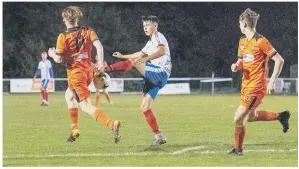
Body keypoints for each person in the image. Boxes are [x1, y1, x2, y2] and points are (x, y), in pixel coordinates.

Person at [47, 6, 120, 143]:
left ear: (64, 19)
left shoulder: (63, 37)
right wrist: (100, 65)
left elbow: (59, 59)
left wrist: (52, 54)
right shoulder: (88, 31)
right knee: (69, 95)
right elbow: (99, 47)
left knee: (85, 105)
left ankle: (112, 124)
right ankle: (74, 130)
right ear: (77, 18)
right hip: (88, 72)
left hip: (76, 75)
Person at [229, 8, 290, 156]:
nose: (239, 27)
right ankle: (281, 116)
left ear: (244, 24)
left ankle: (238, 150)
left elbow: (279, 60)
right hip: (246, 85)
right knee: (250, 116)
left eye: (239, 24)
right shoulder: (242, 41)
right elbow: (241, 60)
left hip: (256, 87)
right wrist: (237, 66)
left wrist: (272, 81)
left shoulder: (261, 41)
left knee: (238, 117)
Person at [105, 15, 171, 146]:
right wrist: (123, 56)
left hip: (160, 72)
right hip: (155, 76)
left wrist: (145, 59)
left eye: (147, 25)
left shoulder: (158, 36)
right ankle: (159, 136)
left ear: (155, 26)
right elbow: (139, 54)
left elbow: (161, 52)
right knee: (145, 106)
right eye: (144, 26)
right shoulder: (150, 42)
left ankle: (107, 69)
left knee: (135, 62)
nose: (145, 28)